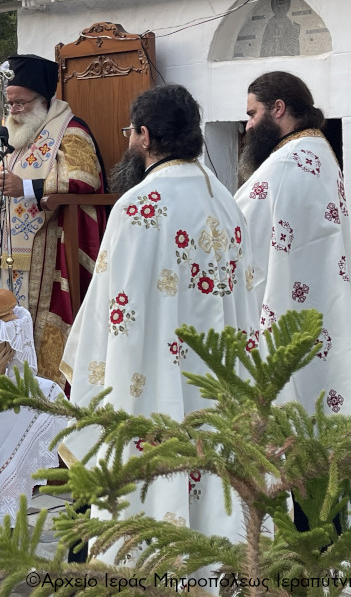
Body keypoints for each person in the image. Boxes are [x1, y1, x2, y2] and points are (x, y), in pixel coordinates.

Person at [61, 84, 259, 551]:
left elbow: (113, 311)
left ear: (146, 136)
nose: (130, 141)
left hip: (153, 382)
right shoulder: (226, 200)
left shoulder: (138, 206)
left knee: (149, 490)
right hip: (219, 376)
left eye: (131, 132)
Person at [0, 54, 106, 380]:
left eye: (20, 103)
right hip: (6, 256)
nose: (13, 110)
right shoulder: (11, 133)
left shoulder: (69, 130)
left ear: (42, 99)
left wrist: (27, 186)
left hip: (48, 257)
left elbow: (86, 178)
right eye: (10, 103)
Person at [234, 71, 351, 420]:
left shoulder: (288, 161)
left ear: (278, 108)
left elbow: (236, 228)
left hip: (286, 302)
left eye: (251, 113)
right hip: (318, 298)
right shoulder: (319, 150)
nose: (246, 126)